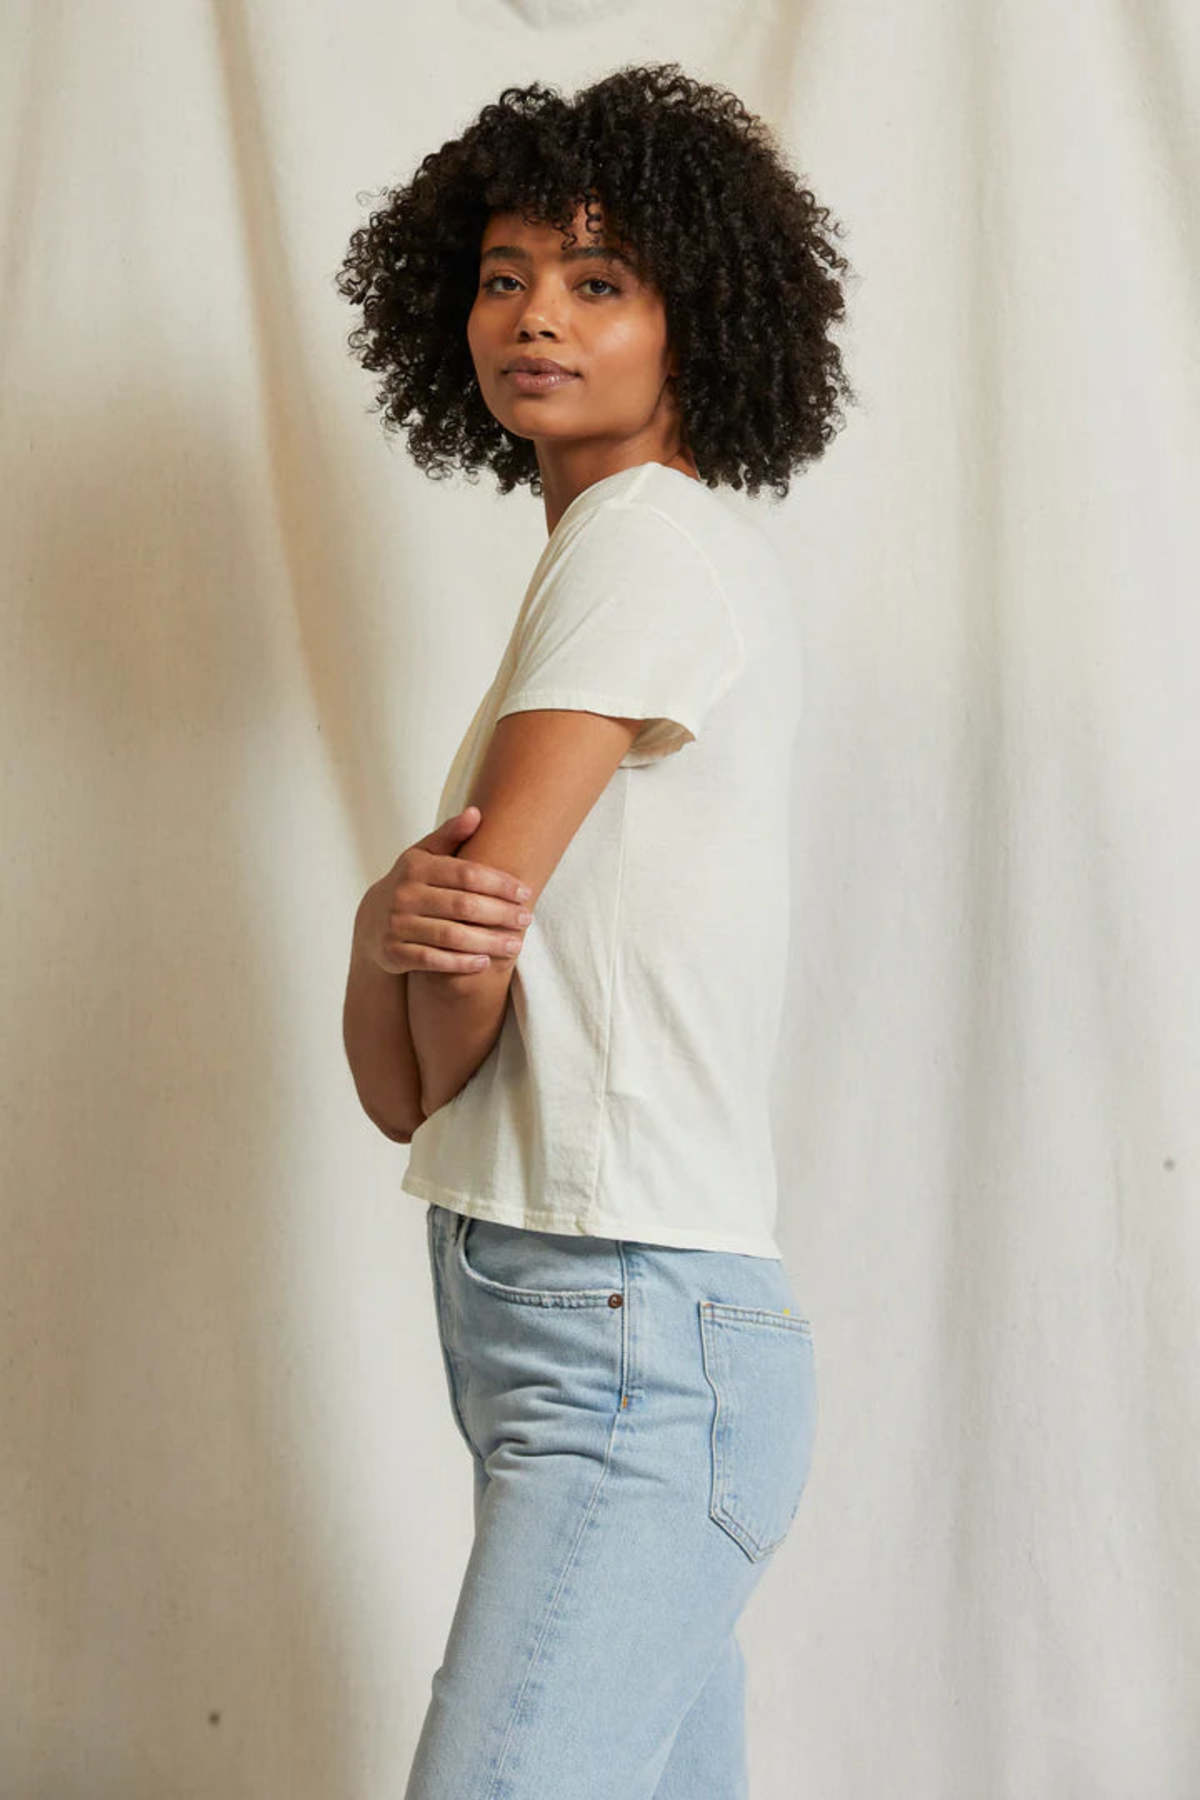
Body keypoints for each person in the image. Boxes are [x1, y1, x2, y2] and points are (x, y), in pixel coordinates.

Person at [338, 61, 856, 1800]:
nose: (535, 316)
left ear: (697, 316)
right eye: (502, 277)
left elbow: (446, 1013)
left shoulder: (644, 541)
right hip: (597, 1326)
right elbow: (409, 1086)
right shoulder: (621, 560)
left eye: (598, 279)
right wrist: (390, 922)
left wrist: (420, 936)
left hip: (626, 1336)